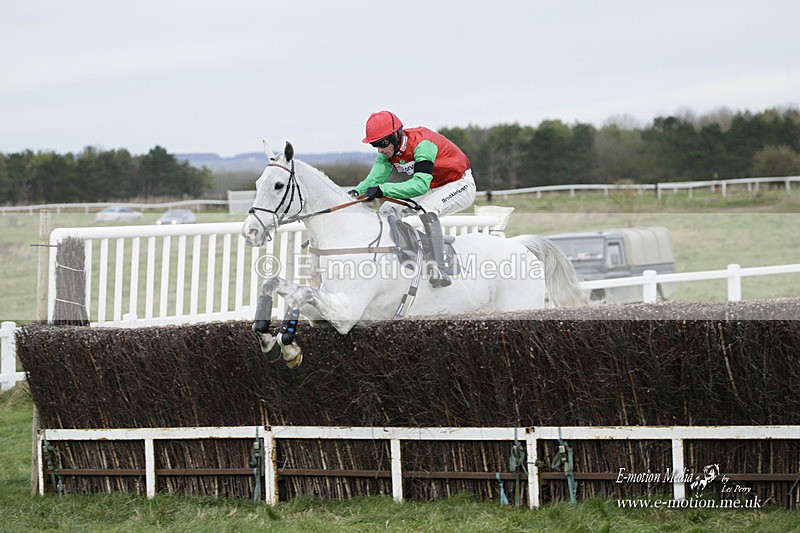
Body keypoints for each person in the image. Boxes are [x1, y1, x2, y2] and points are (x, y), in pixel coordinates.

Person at [349, 111, 476, 287]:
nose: (379, 149)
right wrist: (355, 193)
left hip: (459, 184)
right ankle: (404, 254)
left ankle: (440, 269)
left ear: (396, 135)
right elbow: (372, 181)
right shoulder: (387, 155)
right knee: (386, 210)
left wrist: (383, 190)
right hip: (433, 186)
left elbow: (420, 185)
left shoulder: (423, 143)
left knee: (427, 210)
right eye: (374, 145)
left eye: (382, 143)